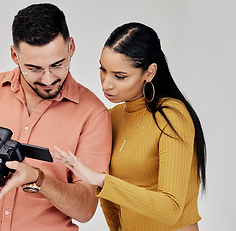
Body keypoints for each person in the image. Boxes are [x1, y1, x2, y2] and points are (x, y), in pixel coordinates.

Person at [0, 3, 112, 231]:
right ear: (14, 55)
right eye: (34, 68)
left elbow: (86, 209)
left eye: (57, 65)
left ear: (71, 48)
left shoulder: (93, 113)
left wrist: (38, 179)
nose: (48, 80)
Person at [54, 22, 207, 231]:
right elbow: (111, 202)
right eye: (103, 70)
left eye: (120, 76)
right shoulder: (111, 117)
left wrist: (101, 179)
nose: (106, 83)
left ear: (150, 72)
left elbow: (171, 209)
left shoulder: (172, 116)